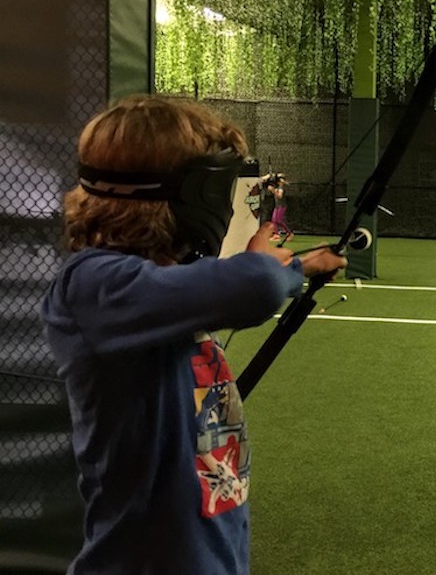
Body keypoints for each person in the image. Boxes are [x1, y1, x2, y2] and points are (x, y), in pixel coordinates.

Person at [41, 96, 346, 575]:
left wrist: (302, 266)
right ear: (188, 197)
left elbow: (239, 282)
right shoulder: (93, 285)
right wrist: (272, 268)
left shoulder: (156, 285)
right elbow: (258, 284)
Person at [269, 173, 294, 242]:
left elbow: (280, 196)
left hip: (281, 206)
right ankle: (276, 235)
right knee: (274, 220)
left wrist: (273, 191)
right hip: (277, 206)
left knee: (279, 220)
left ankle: (289, 233)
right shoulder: (277, 187)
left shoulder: (281, 188)